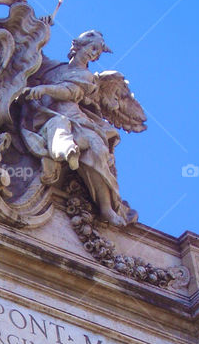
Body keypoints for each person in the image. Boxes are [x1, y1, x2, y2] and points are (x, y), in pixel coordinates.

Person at [21, 31, 137, 226]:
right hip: (45, 115)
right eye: (93, 48)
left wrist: (44, 89)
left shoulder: (86, 76)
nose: (94, 53)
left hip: (75, 118)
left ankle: (106, 208)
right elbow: (34, 53)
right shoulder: (54, 67)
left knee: (97, 149)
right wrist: (41, 29)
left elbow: (70, 92)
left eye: (97, 52)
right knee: (58, 126)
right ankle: (67, 151)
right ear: (79, 45)